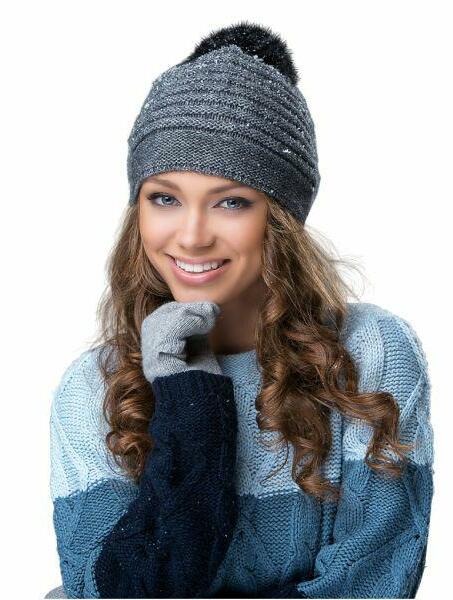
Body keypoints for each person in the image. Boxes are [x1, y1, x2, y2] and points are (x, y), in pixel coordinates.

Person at [47, 21, 434, 599]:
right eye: (164, 198)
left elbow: (372, 584)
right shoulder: (93, 388)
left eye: (230, 202)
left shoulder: (369, 354)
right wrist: (191, 403)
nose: (191, 235)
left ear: (280, 218)